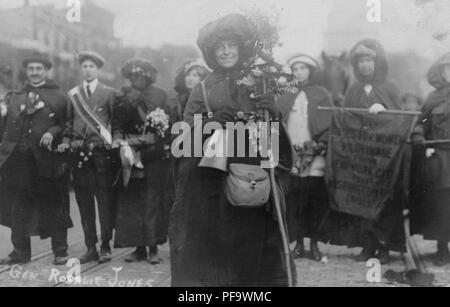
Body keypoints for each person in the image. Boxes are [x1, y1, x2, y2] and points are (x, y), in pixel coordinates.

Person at [169, 13, 295, 287]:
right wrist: (209, 125)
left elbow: (275, 147)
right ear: (212, 53)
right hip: (210, 185)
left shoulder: (259, 82)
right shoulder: (203, 87)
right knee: (214, 252)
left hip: (251, 180)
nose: (226, 52)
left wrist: (274, 116)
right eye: (219, 48)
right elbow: (183, 140)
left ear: (241, 48)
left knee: (249, 248)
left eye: (231, 46)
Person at [0, 52, 72, 266]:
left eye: (39, 69)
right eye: (31, 69)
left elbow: (67, 124)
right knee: (17, 206)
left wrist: (52, 132)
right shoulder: (15, 96)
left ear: (46, 71)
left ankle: (60, 251)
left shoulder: (59, 96)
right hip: (19, 161)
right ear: (27, 71)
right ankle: (19, 252)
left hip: (47, 161)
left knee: (54, 204)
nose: (34, 72)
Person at [342, 39, 405, 264]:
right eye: (361, 61)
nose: (365, 65)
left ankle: (385, 246)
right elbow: (345, 120)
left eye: (369, 60)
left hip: (384, 158)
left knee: (385, 200)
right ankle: (368, 245)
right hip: (361, 155)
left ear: (378, 62)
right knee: (362, 200)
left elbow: (400, 122)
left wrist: (385, 111)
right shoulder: (354, 89)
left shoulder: (390, 88)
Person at [59, 51, 117, 264]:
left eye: (92, 66)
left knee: (104, 202)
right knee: (84, 203)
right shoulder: (72, 94)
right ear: (80, 69)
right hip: (79, 154)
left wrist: (115, 141)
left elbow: (116, 125)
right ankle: (90, 247)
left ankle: (105, 246)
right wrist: (66, 141)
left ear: (98, 69)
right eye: (84, 66)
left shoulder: (109, 93)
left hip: (101, 154)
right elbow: (68, 123)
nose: (88, 69)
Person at [113, 58, 171, 264]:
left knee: (153, 202)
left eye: (138, 75)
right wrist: (120, 141)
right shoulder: (124, 97)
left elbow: (167, 125)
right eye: (131, 76)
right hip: (130, 155)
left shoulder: (160, 95)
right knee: (134, 203)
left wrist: (151, 139)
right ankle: (139, 248)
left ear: (147, 76)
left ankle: (153, 247)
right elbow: (117, 123)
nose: (134, 80)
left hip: (153, 155)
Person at [278, 54, 334, 261]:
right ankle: (299, 243)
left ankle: (315, 244)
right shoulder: (286, 93)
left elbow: (329, 122)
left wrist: (322, 144)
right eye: (295, 69)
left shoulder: (321, 94)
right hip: (293, 154)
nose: (299, 72)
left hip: (315, 154)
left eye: (303, 68)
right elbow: (279, 121)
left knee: (315, 199)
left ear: (311, 71)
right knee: (296, 200)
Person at [410, 53, 450, 266]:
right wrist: (419, 137)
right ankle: (442, 248)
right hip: (440, 158)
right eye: (448, 69)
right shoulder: (433, 99)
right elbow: (421, 122)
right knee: (442, 203)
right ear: (442, 73)